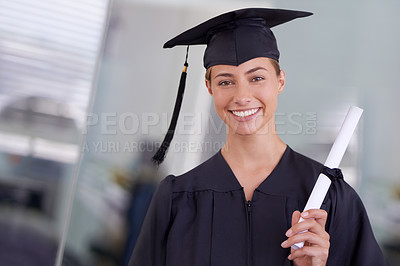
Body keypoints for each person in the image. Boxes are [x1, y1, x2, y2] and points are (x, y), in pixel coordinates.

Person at [128, 8, 386, 266]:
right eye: (225, 82)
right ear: (209, 87)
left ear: (280, 81)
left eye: (257, 78)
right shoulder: (177, 198)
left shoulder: (333, 198)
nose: (242, 96)